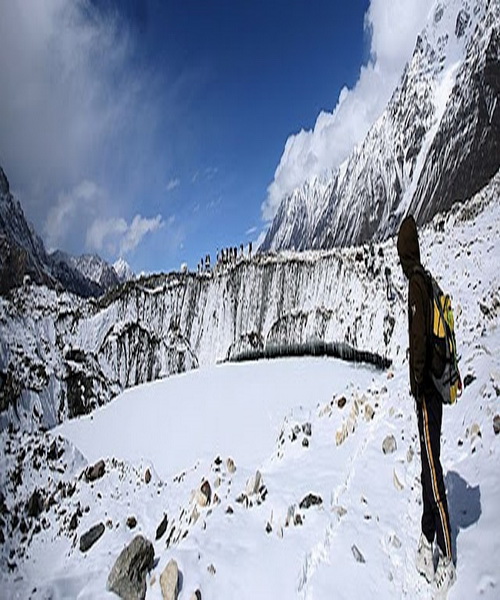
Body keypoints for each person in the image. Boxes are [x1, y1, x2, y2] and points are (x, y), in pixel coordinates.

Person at [397, 215, 456, 595]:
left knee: (432, 472)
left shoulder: (415, 286)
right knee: (425, 466)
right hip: (435, 386)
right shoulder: (427, 279)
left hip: (427, 392)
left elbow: (418, 343)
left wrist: (416, 384)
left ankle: (447, 557)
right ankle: (425, 537)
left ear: (405, 254)